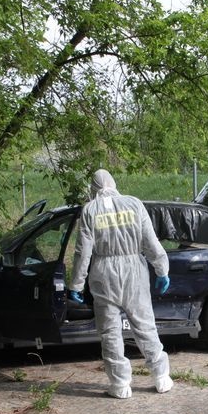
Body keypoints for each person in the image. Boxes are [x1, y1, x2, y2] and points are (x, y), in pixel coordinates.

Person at [68, 169, 173, 398]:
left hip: (103, 274)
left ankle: (120, 384)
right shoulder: (134, 204)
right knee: (145, 326)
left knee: (110, 332)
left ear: (93, 188)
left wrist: (76, 284)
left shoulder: (90, 211)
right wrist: (161, 269)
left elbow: (82, 252)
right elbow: (150, 241)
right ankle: (161, 377)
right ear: (114, 183)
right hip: (134, 271)